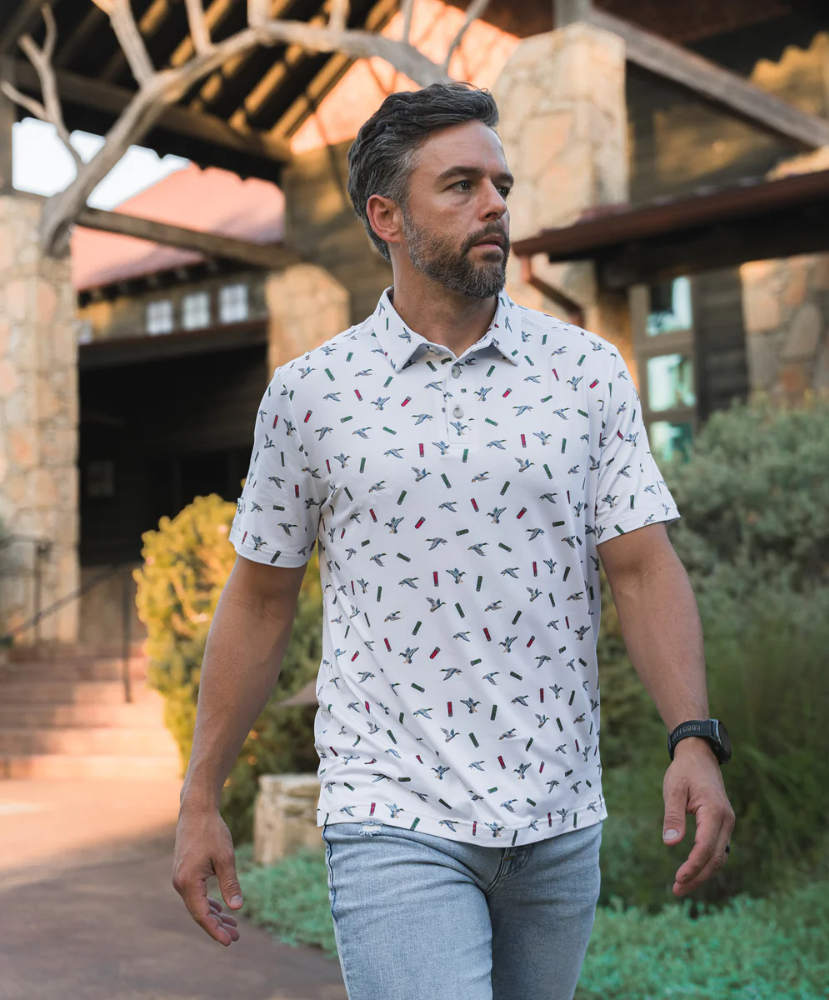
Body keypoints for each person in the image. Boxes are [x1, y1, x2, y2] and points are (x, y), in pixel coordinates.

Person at [173, 82, 736, 999]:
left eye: (500, 184)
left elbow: (640, 569)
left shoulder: (584, 372)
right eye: (462, 185)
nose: (495, 206)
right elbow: (261, 596)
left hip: (558, 820)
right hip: (392, 812)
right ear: (385, 215)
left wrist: (692, 739)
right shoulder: (311, 395)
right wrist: (200, 799)